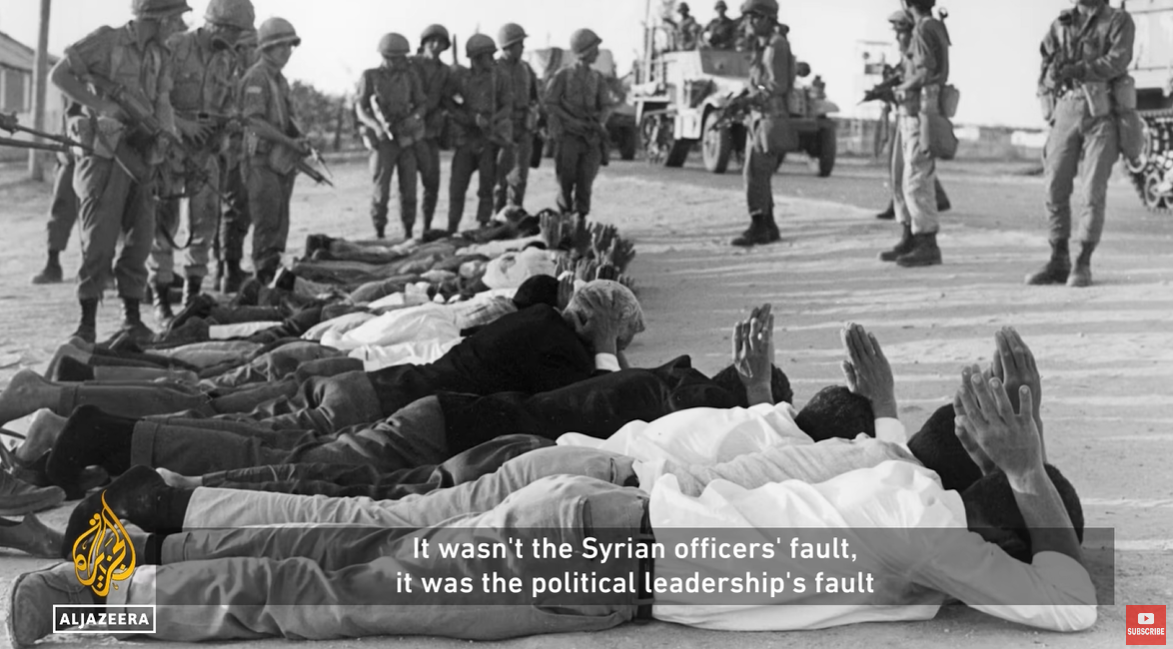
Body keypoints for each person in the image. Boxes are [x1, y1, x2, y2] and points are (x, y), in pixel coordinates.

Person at [8, 335, 1095, 644]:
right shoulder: (925, 536)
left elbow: (907, 449)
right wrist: (1024, 473)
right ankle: (89, 601)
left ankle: (117, 559)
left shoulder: (890, 481)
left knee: (343, 552)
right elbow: (1070, 605)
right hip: (600, 553)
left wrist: (1009, 462)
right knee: (327, 591)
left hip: (599, 518)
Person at [48, 0, 191, 344]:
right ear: (158, 18)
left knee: (140, 240)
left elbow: (162, 101)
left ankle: (132, 319)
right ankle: (86, 325)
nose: (179, 26)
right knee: (98, 241)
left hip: (142, 157)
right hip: (104, 154)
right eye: (175, 18)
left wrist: (166, 140)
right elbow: (59, 75)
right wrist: (102, 106)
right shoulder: (106, 41)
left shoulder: (161, 54)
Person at [149, 0, 256, 326]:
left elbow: (228, 102)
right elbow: (153, 96)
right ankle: (161, 299)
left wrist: (229, 122)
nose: (235, 40)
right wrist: (182, 125)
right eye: (232, 32)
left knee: (205, 222)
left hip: (205, 151)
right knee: (163, 225)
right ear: (214, 25)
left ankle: (192, 296)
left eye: (239, 34)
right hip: (169, 147)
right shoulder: (175, 46)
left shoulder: (228, 59)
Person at [1027, 0, 1135, 288]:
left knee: (1092, 190)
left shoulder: (1119, 20)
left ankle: (1082, 262)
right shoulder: (1061, 24)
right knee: (1054, 184)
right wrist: (1051, 77)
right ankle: (1058, 258)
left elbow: (1117, 60)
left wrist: (1078, 69)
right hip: (1066, 107)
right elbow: (1045, 61)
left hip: (1102, 111)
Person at [877, 0, 950, 267]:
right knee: (902, 176)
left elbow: (925, 71)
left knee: (916, 179)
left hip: (919, 112)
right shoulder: (930, 26)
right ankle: (910, 237)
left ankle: (927, 243)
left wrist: (900, 88)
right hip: (912, 112)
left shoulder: (923, 28)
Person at [240, 17, 308, 284]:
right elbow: (253, 121)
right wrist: (289, 143)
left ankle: (270, 277)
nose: (287, 51)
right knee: (267, 222)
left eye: (290, 46)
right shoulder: (257, 77)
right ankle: (262, 280)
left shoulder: (279, 80)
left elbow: (286, 120)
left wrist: (299, 139)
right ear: (266, 48)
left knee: (279, 223)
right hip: (260, 160)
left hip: (279, 162)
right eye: (281, 46)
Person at [729, 0, 789, 247]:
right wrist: (743, 97)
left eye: (753, 17)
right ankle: (769, 224)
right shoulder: (763, 46)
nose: (749, 22)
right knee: (758, 173)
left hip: (769, 117)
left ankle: (759, 226)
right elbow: (758, 82)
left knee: (755, 172)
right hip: (759, 117)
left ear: (766, 18)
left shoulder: (776, 45)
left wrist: (750, 99)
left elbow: (777, 85)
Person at [356, 33, 425, 240]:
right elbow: (361, 108)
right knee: (381, 189)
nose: (399, 62)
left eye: (401, 57)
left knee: (409, 188)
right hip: (383, 141)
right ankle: (380, 232)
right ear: (385, 56)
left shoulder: (410, 76)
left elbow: (422, 103)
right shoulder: (370, 76)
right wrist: (375, 126)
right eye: (395, 58)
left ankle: (408, 231)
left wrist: (414, 118)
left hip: (405, 137)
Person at [445, 34, 513, 233]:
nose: (491, 59)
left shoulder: (500, 77)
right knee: (457, 185)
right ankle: (452, 225)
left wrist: (492, 120)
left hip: (489, 137)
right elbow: (448, 101)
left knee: (487, 184)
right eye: (487, 55)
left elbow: (507, 105)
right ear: (475, 58)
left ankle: (483, 223)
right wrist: (468, 118)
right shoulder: (461, 77)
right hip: (466, 137)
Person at [545, 28, 614, 221]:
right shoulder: (563, 75)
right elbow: (551, 103)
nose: (597, 53)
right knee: (565, 180)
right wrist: (572, 120)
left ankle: (580, 218)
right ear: (584, 51)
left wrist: (600, 122)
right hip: (569, 136)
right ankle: (565, 217)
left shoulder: (597, 78)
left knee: (586, 181)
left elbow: (606, 105)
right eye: (594, 49)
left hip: (590, 137)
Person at [216, 28, 258, 293]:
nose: (257, 52)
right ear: (240, 49)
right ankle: (229, 272)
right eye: (252, 47)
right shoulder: (229, 76)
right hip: (230, 150)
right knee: (234, 209)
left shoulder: (247, 75)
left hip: (242, 148)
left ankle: (226, 269)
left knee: (237, 209)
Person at [29, 108, 81, 286]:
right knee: (60, 208)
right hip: (70, 154)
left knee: (100, 216)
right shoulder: (70, 94)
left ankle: (102, 269)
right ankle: (53, 263)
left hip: (98, 152)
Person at [494, 23, 541, 214]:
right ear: (507, 46)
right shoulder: (494, 69)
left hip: (524, 126)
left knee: (521, 176)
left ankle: (515, 213)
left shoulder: (526, 69)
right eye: (519, 44)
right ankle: (497, 215)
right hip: (501, 129)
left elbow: (535, 96)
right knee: (501, 177)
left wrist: (535, 115)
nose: (522, 47)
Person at [411, 24, 453, 233]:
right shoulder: (411, 64)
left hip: (430, 133)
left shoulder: (445, 71)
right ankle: (407, 229)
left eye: (440, 42)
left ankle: (426, 226)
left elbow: (447, 98)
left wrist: (442, 113)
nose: (436, 45)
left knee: (432, 182)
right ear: (424, 43)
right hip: (409, 130)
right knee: (408, 185)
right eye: (432, 41)